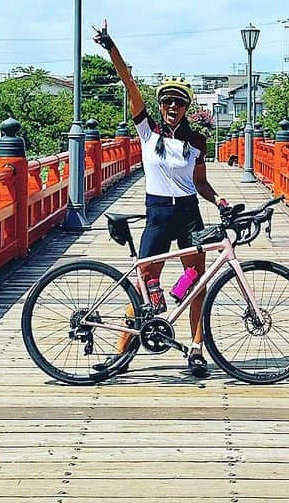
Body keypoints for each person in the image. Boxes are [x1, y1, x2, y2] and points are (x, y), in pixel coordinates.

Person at [92, 19, 227, 377]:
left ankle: (196, 349)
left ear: (185, 108)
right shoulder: (147, 130)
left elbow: (201, 182)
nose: (172, 106)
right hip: (157, 213)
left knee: (197, 282)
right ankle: (122, 353)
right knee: (142, 282)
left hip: (188, 214)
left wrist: (221, 201)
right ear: (161, 104)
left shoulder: (197, 141)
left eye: (179, 103)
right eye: (167, 101)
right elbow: (129, 83)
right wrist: (111, 46)